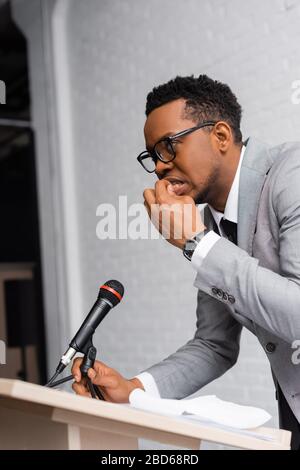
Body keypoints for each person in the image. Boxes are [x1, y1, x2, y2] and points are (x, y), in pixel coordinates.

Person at [72, 75, 300, 449]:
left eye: (168, 147)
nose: (160, 167)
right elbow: (214, 345)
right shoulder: (211, 223)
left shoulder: (291, 175)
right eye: (152, 155)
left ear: (221, 136)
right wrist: (135, 390)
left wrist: (197, 244)